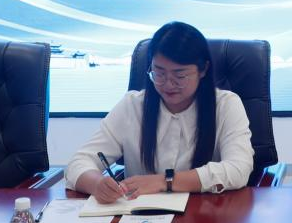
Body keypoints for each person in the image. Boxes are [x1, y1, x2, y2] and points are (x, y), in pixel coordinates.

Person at [66, 22, 254, 199]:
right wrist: (97, 184)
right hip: (139, 216)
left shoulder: (226, 105)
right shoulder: (132, 105)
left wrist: (164, 182)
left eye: (180, 75)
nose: (168, 84)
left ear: (203, 70)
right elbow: (79, 162)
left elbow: (239, 168)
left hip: (205, 214)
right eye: (159, 73)